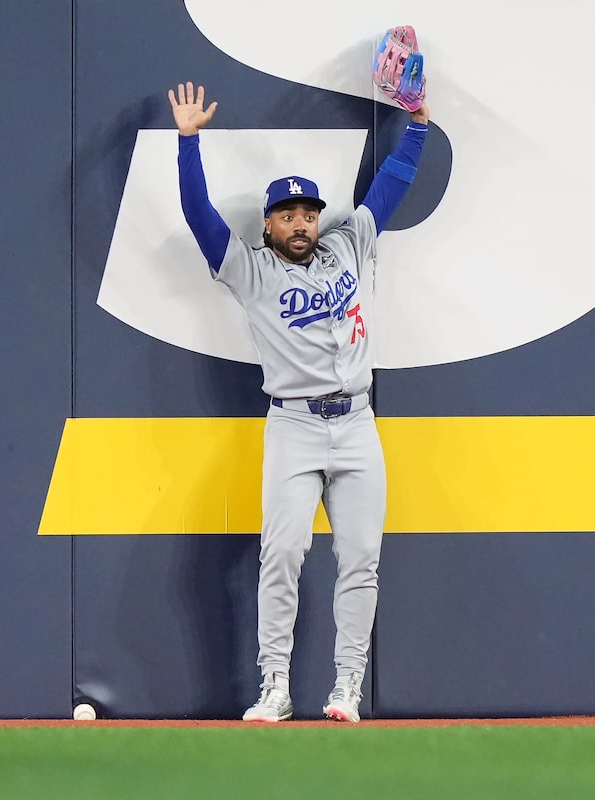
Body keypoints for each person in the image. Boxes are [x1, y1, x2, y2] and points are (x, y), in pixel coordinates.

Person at [168, 81, 430, 722]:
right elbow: (199, 213)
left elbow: (390, 186)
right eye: (287, 215)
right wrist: (188, 143)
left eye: (308, 212)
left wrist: (419, 125)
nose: (301, 222)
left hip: (358, 422)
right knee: (281, 555)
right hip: (293, 425)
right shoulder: (250, 269)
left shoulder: (347, 244)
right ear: (269, 224)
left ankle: (346, 688)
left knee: (361, 557)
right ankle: (275, 687)